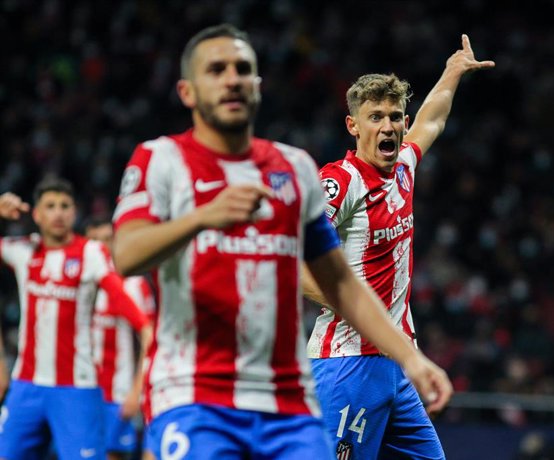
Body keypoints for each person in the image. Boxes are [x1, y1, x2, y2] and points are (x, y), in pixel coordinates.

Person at [111, 23, 452, 459]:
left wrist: (412, 358)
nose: (232, 78)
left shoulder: (293, 169)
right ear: (187, 91)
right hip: (196, 392)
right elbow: (125, 255)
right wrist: (203, 217)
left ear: (257, 85)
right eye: (217, 69)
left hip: (284, 397)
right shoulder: (160, 160)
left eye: (242, 68)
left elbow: (341, 283)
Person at [302, 35, 495, 458]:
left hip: (396, 363)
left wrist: (453, 71)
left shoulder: (403, 167)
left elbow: (433, 121)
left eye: (395, 116)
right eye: (375, 117)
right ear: (353, 126)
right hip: (346, 364)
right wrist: (355, 307)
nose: (387, 126)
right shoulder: (340, 182)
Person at [0, 178, 147, 460]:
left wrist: (137, 386)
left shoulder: (91, 253)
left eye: (65, 206)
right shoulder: (23, 250)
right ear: (37, 214)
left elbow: (136, 316)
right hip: (25, 385)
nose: (58, 213)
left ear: (74, 212)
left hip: (75, 389)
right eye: (50, 206)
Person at [85, 218, 154, 460]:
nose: (101, 247)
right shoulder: (79, 283)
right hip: (82, 389)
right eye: (94, 241)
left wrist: (137, 390)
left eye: (106, 240)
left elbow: (149, 338)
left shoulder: (134, 285)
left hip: (118, 392)